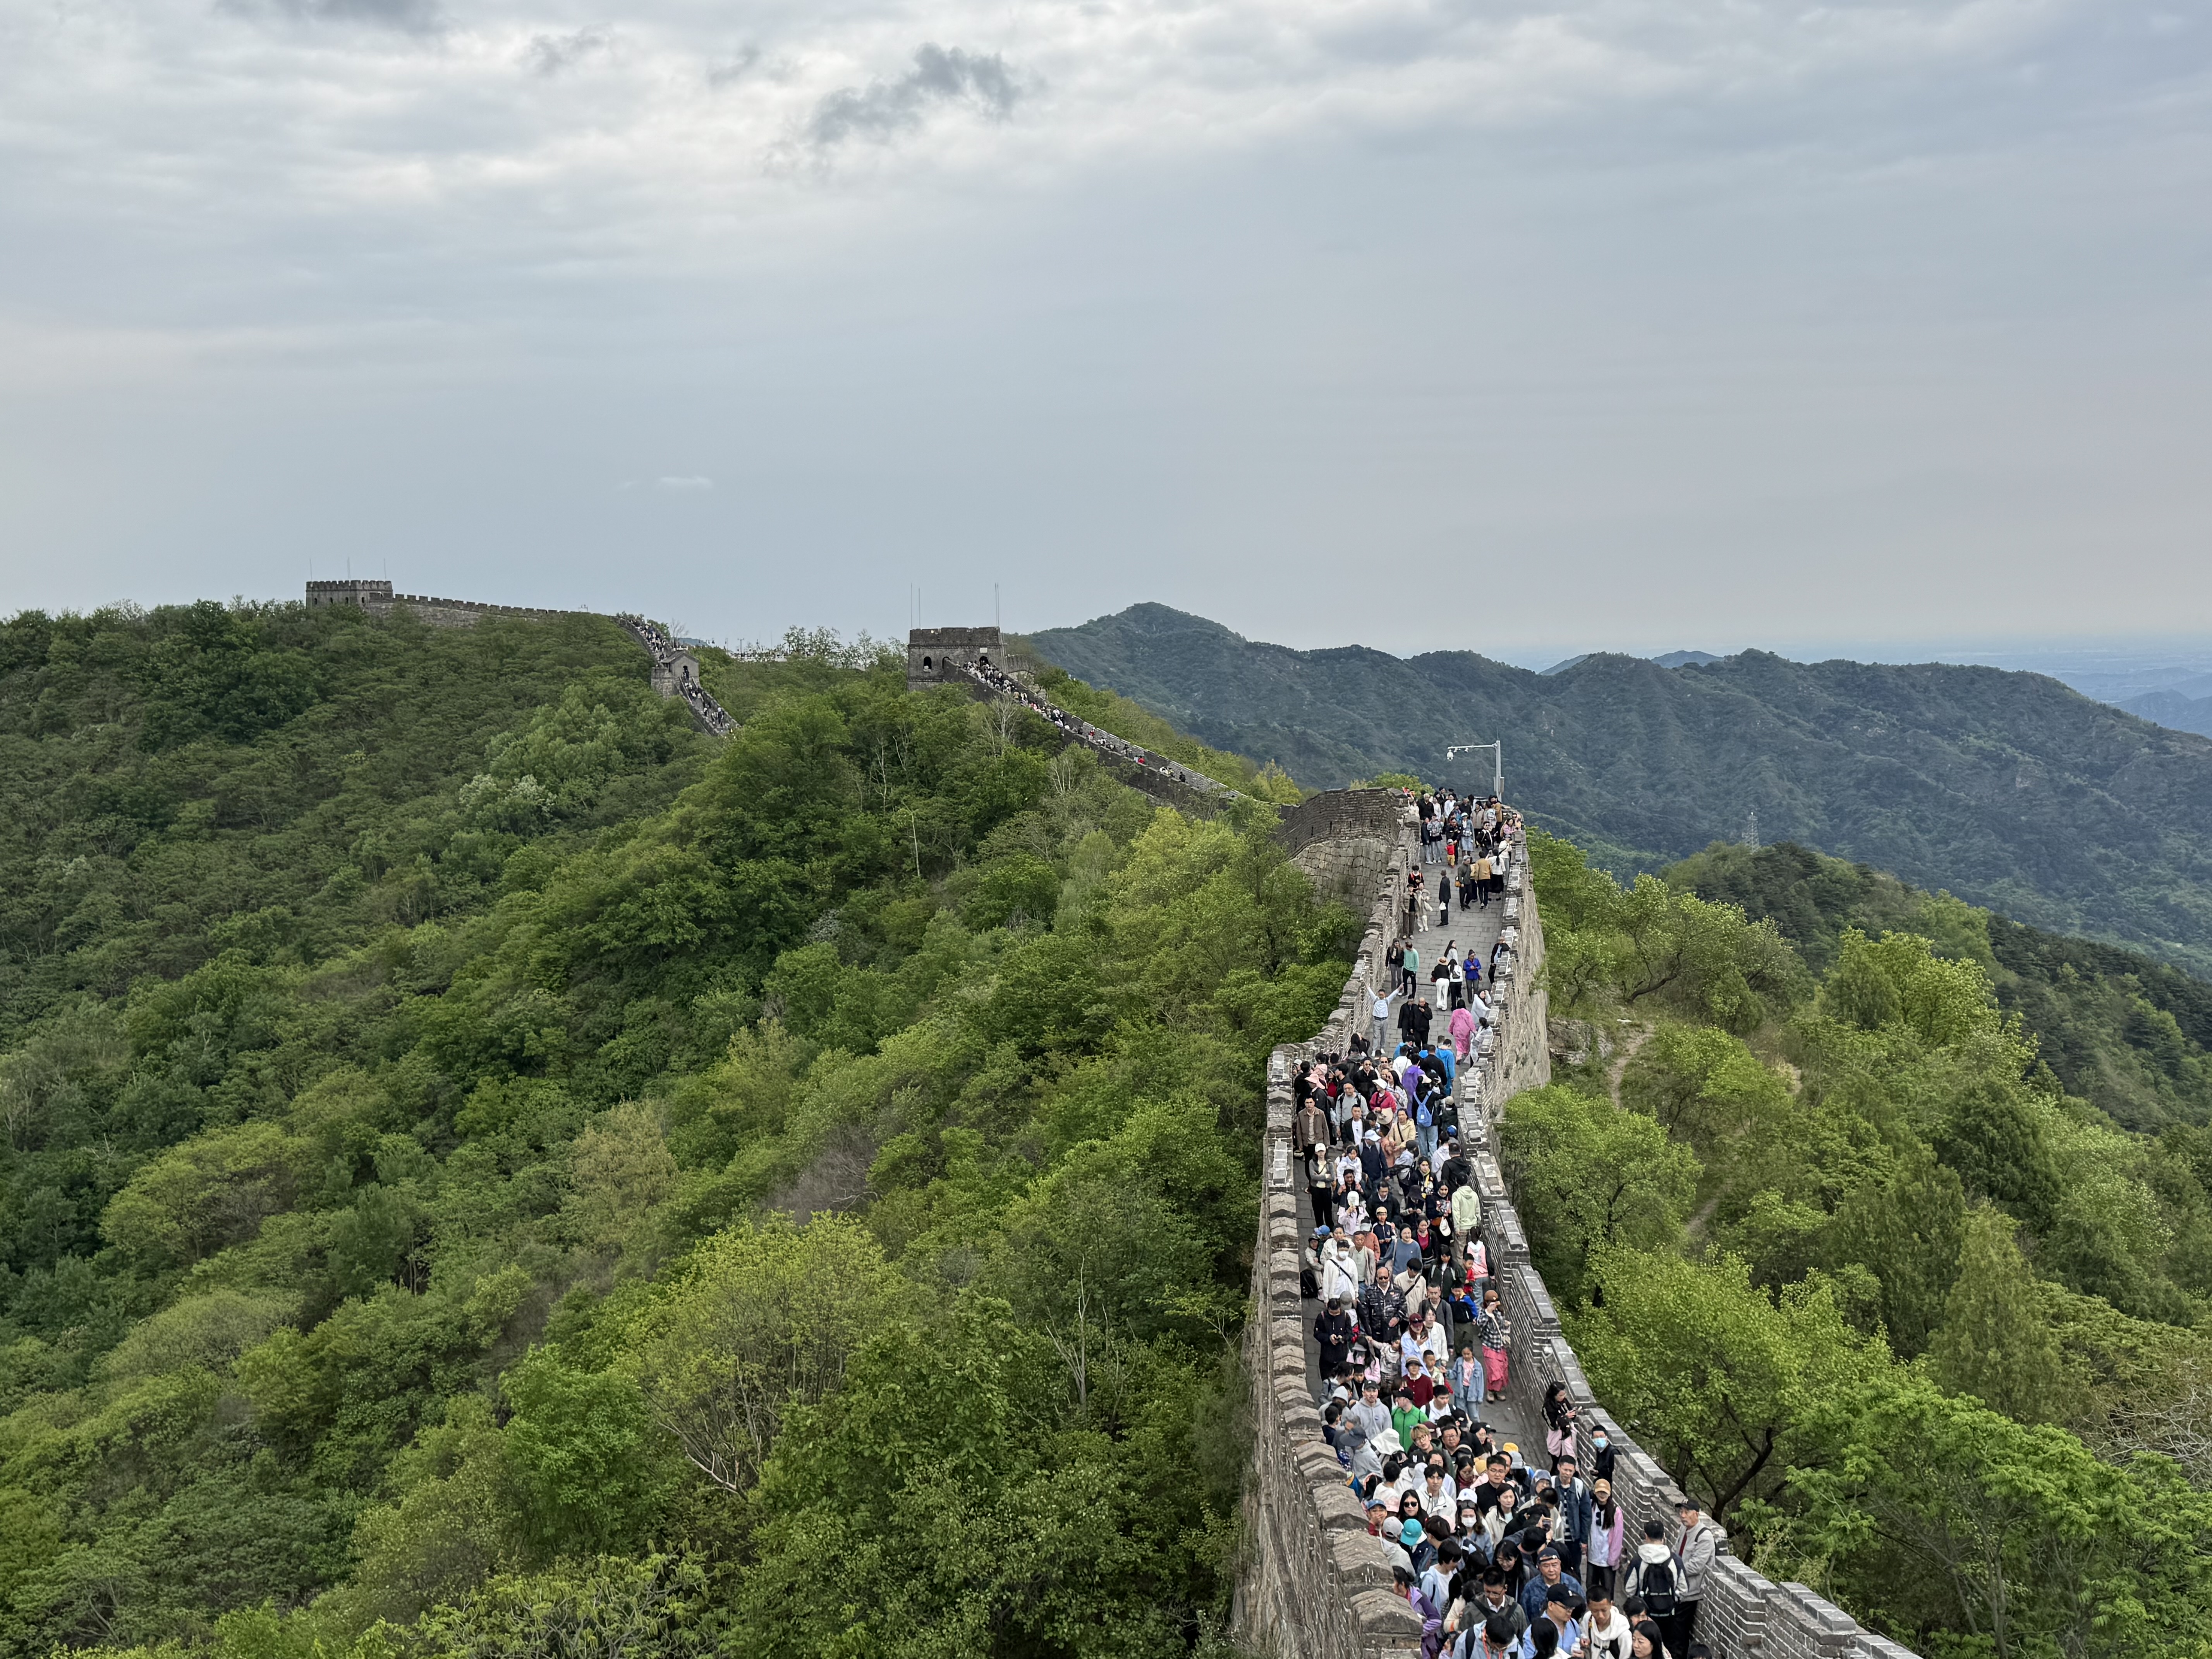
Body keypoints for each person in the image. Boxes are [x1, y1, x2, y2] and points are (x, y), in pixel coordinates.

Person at [1668, 1500, 1721, 1659]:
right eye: (1681, 1512)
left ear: (1696, 1514)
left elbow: (1696, 1567)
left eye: (1686, 1512)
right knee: (1672, 1631)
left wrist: (1673, 1570)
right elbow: (1677, 1553)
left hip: (1691, 1593)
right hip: (1677, 1589)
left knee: (1680, 1635)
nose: (1683, 1516)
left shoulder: (1704, 1537)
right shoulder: (1684, 1529)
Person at [1585, 1477, 1625, 1599]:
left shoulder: (1615, 1512)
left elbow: (1618, 1538)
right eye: (1600, 1492)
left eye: (1605, 1493)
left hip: (1607, 1560)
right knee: (1591, 1588)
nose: (1602, 1495)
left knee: (1608, 1592)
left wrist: (1613, 1559)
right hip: (1592, 1556)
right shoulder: (1591, 1506)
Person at [1480, 1288, 1512, 1402]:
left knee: (1503, 1370)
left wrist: (1506, 1325)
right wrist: (1489, 1313)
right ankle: (1490, 1391)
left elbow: (1502, 1326)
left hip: (1500, 1347)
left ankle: (1497, 1391)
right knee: (1494, 1371)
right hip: (1490, 1347)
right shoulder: (1484, 1313)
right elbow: (1480, 1323)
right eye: (1490, 1302)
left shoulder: (1499, 1313)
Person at [1314, 1296, 1356, 1380]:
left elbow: (1350, 1334)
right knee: (1326, 1381)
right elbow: (1317, 1334)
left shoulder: (1345, 1316)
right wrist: (1329, 1338)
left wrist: (1343, 1338)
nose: (1334, 1315)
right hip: (1327, 1357)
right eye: (1332, 1313)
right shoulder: (1322, 1317)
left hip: (1341, 1356)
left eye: (1337, 1313)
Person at [1584, 1588, 1632, 1659]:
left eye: (1604, 1611)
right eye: (1595, 1611)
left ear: (1611, 1605)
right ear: (1589, 1607)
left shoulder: (1623, 1633)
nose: (1601, 1616)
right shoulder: (1588, 1619)